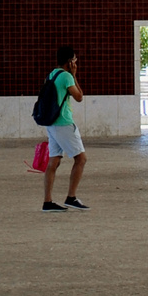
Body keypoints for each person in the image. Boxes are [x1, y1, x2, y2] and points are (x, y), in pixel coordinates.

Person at [41, 46, 89, 212]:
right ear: (69, 62)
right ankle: (71, 197)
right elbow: (79, 97)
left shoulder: (51, 74)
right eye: (74, 60)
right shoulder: (67, 76)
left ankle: (47, 202)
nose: (76, 63)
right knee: (81, 159)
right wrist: (74, 76)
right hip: (63, 123)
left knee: (54, 161)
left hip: (51, 123)